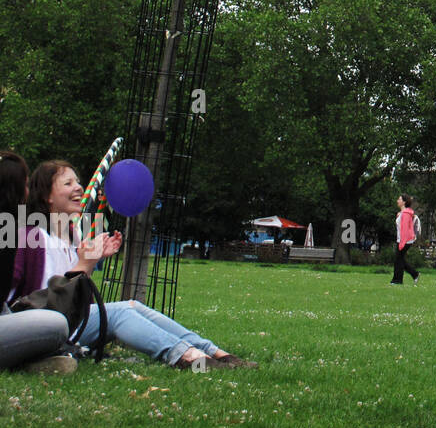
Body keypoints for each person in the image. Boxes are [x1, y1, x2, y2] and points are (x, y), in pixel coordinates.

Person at [13, 160, 256, 370]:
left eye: (77, 181)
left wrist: (91, 260)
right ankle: (190, 358)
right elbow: (38, 301)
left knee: (133, 305)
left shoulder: (73, 237)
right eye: (67, 184)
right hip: (46, 326)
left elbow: (78, 300)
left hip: (70, 321)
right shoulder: (31, 238)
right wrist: (85, 264)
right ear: (47, 196)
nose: (78, 187)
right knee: (121, 313)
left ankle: (215, 353)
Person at [0, 150, 76, 374]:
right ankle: (28, 362)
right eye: (24, 185)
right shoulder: (22, 235)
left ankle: (32, 360)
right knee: (56, 324)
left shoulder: (15, 231)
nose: (27, 193)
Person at [391, 194, 420, 285]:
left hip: (405, 240)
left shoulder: (406, 214)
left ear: (404, 202)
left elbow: (405, 230)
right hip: (402, 239)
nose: (397, 201)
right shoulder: (403, 213)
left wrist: (402, 243)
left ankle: (397, 280)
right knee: (399, 259)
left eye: (399, 199)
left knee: (398, 260)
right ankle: (414, 274)